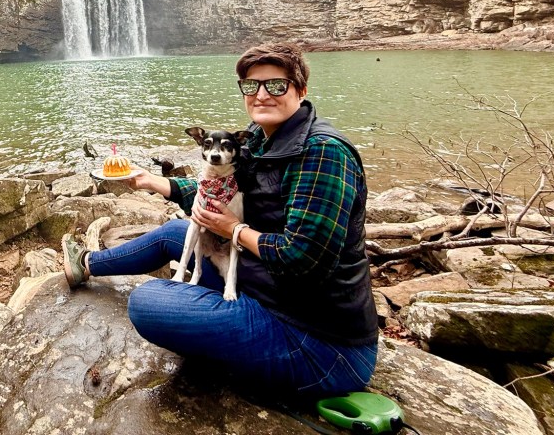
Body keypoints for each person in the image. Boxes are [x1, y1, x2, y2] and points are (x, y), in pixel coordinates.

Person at [62, 42, 378, 398]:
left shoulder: (322, 153)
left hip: (318, 341)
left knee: (147, 302)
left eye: (276, 85)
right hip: (267, 286)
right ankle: (87, 264)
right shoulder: (262, 138)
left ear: (301, 90)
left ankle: (221, 331)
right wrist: (157, 183)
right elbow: (225, 189)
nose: (261, 94)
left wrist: (234, 229)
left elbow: (304, 258)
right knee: (176, 232)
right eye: (251, 85)